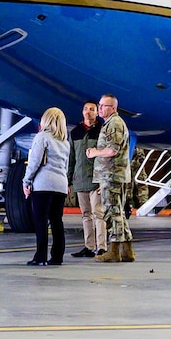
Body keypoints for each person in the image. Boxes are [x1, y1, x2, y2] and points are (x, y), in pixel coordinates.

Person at [88, 94, 134, 262]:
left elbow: (112, 150)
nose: (100, 108)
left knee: (112, 213)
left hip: (112, 175)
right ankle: (127, 251)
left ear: (113, 108)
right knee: (118, 213)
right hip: (112, 175)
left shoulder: (114, 124)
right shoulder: (111, 123)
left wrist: (95, 152)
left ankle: (114, 251)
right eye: (99, 105)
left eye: (104, 106)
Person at [21, 107, 70, 266]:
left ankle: (40, 256)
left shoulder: (42, 137)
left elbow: (34, 162)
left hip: (44, 184)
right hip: (60, 185)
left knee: (41, 221)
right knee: (57, 221)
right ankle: (57, 256)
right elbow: (66, 166)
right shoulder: (65, 142)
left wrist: (26, 181)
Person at [67, 101, 102, 257]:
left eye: (92, 109)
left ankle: (101, 246)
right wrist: (68, 180)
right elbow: (71, 158)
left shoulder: (101, 131)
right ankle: (89, 246)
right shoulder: (75, 132)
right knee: (86, 215)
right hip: (80, 180)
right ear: (82, 112)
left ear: (97, 112)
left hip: (96, 181)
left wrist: (104, 180)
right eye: (86, 109)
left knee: (98, 214)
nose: (88, 112)